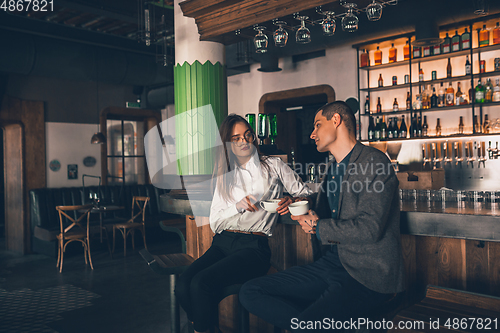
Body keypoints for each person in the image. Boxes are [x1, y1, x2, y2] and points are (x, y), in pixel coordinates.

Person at [239, 101, 405, 332]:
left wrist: (318, 227)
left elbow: (370, 228)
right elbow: (327, 206)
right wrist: (298, 204)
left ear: (336, 120)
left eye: (317, 125)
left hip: (367, 274)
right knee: (250, 292)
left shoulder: (375, 162)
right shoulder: (333, 165)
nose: (312, 133)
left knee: (304, 323)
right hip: (329, 265)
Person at [175, 114, 312, 333]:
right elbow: (215, 222)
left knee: (201, 284)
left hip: (253, 247)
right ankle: (203, 327)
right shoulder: (224, 174)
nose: (244, 141)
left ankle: (202, 329)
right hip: (222, 242)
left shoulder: (274, 165)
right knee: (183, 285)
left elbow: (304, 192)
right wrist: (237, 206)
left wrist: (292, 199)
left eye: (247, 135)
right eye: (236, 138)